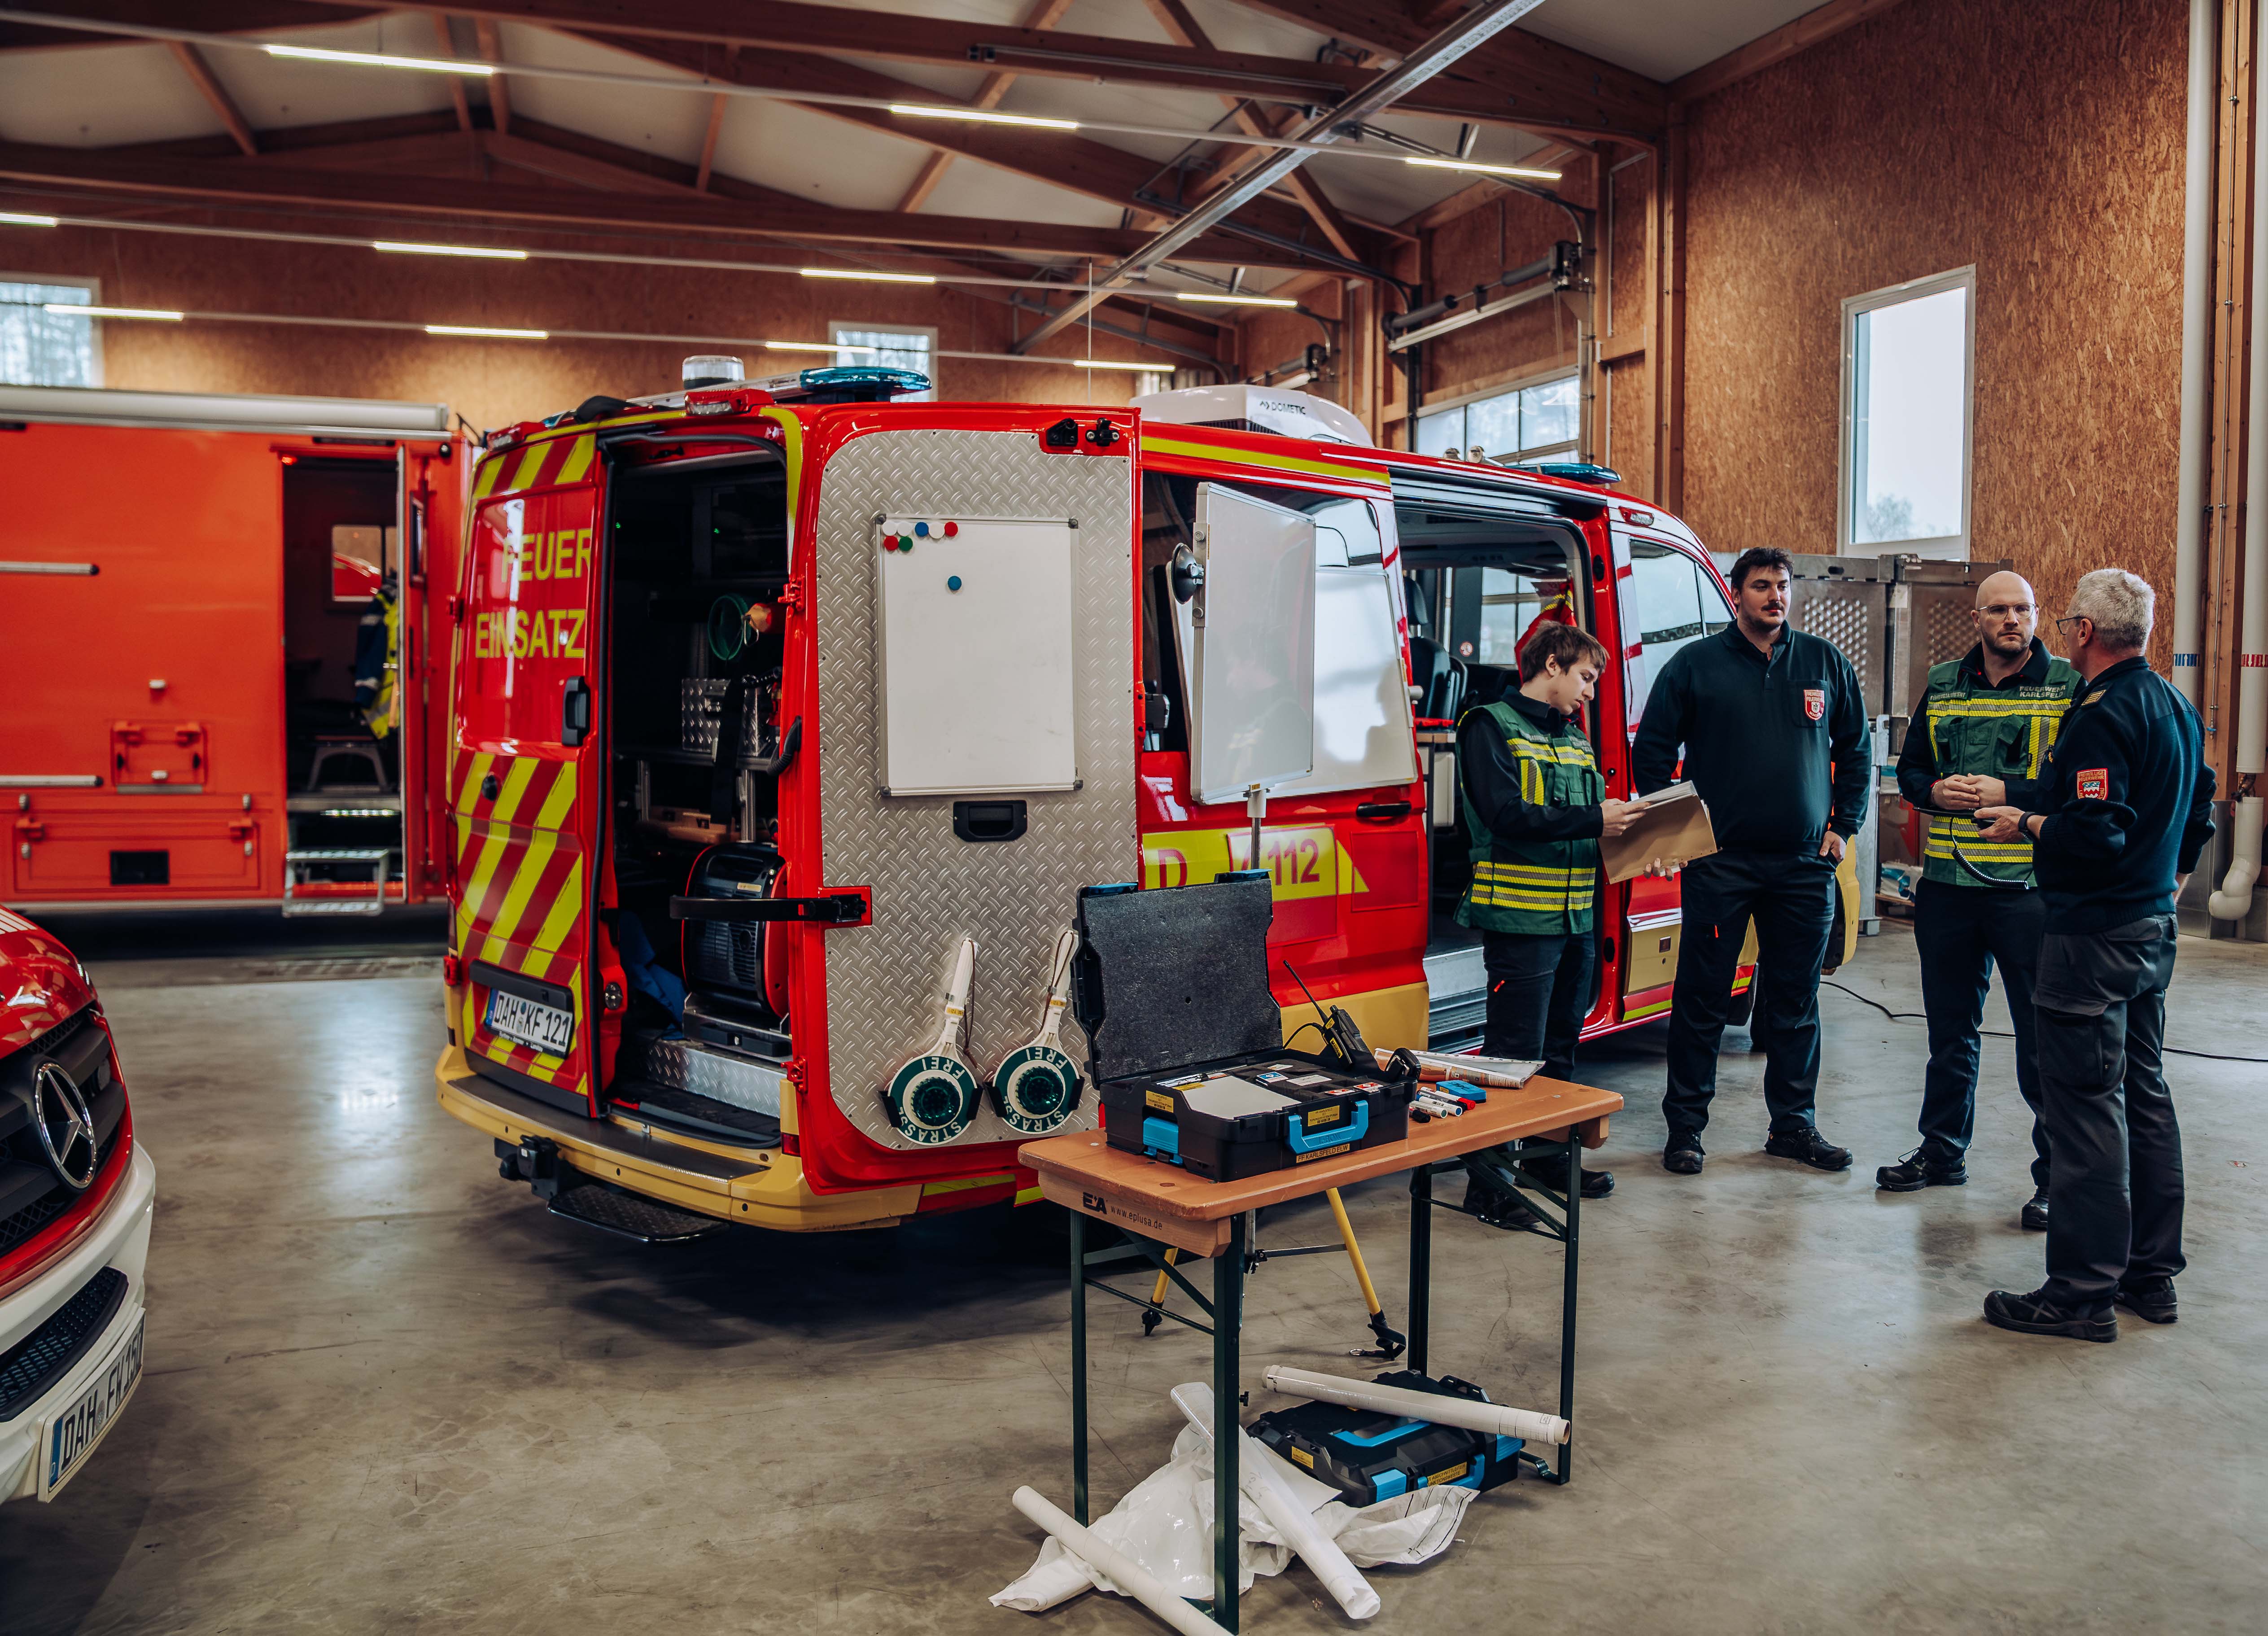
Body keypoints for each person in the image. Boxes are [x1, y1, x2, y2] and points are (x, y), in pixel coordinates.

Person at [1976, 569, 2214, 1342]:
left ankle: (2079, 1291)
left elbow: (2093, 831)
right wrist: (2168, 881)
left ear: (2082, 632)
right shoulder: (2176, 706)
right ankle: (2150, 1274)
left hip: (2091, 940)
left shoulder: (2100, 717)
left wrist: (2029, 820)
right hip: (2149, 931)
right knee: (2143, 1094)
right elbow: (2201, 805)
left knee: (2083, 1108)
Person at [1632, 546, 1871, 1176]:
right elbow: (1652, 749)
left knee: (1794, 1002)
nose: (1775, 595)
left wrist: (1844, 827)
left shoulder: (1824, 663)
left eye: (1783, 585)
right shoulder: (1696, 666)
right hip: (1722, 865)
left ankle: (1794, 1127)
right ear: (1737, 594)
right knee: (1703, 998)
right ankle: (1685, 1129)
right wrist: (1677, 834)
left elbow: (1857, 747)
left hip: (1803, 867)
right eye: (1762, 585)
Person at [1879, 571, 2079, 1229]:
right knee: (1949, 1034)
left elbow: (2077, 787)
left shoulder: (2067, 688)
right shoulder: (1943, 684)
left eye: (2023, 609)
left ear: (2037, 615)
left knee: (2040, 1040)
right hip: (1949, 889)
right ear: (1978, 618)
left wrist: (2008, 792)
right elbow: (1911, 772)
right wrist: (1934, 794)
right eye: (1999, 609)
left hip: (2028, 894)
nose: (2012, 619)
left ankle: (2056, 1179)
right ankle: (1942, 1152)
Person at [1454, 621, 1647, 1228]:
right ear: (1555, 664)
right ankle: (1487, 1186)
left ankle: (1541, 1161)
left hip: (1575, 919)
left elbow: (1592, 831)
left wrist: (1646, 842)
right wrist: (1596, 817)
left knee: (1562, 1050)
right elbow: (1506, 814)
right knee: (1513, 1056)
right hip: (1521, 919)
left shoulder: (1576, 741)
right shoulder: (1489, 727)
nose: (1591, 691)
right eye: (1587, 677)